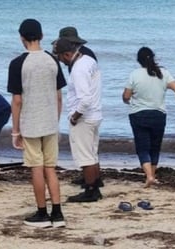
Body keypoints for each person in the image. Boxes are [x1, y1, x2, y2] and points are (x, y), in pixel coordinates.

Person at [8, 19, 66, 228]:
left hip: (31, 124)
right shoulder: (52, 60)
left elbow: (17, 100)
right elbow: (59, 96)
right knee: (50, 168)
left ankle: (42, 213)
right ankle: (57, 213)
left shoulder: (18, 64)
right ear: (41, 36)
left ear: (22, 38)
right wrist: (55, 119)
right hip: (50, 122)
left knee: (37, 168)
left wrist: (15, 131)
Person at [122, 47, 175, 188]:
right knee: (155, 146)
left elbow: (126, 96)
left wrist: (127, 100)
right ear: (153, 57)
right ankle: (152, 175)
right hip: (158, 115)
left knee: (142, 147)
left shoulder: (134, 74)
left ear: (138, 60)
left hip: (138, 114)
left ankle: (149, 176)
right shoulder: (163, 73)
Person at [55, 38, 103, 202]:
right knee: (92, 153)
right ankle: (96, 185)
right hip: (95, 114)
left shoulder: (78, 70)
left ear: (67, 54)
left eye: (60, 58)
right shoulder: (89, 60)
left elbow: (85, 99)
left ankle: (90, 191)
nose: (61, 61)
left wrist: (75, 116)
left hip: (84, 117)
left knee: (85, 157)